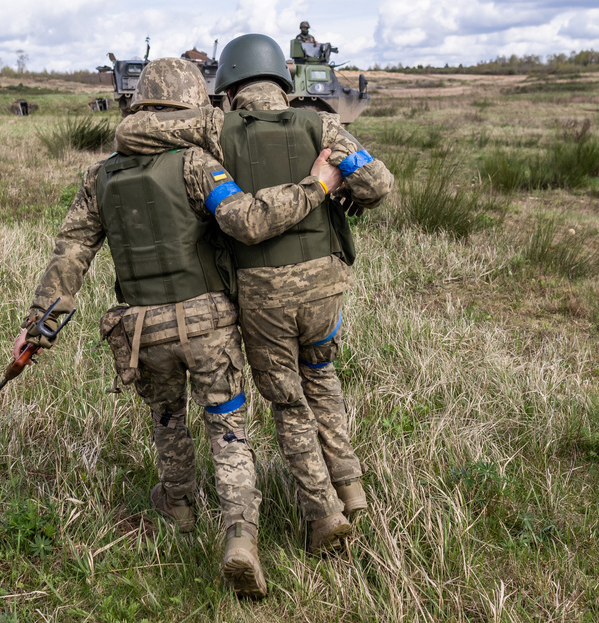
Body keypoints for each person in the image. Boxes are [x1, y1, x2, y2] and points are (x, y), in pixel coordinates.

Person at [12, 57, 342, 598]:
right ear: (189, 104)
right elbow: (245, 221)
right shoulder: (196, 165)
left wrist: (40, 326)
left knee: (168, 420)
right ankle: (240, 535)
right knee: (227, 427)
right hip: (207, 324)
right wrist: (315, 187)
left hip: (139, 329)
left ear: (141, 104)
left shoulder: (98, 176)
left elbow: (72, 251)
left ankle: (181, 508)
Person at [215, 34, 393, 553]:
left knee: (289, 404)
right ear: (283, 80)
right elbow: (378, 185)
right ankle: (351, 488)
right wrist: (336, 184)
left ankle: (323, 515)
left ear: (229, 88)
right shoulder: (322, 125)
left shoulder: (216, 135)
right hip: (324, 288)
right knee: (322, 378)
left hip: (260, 294)